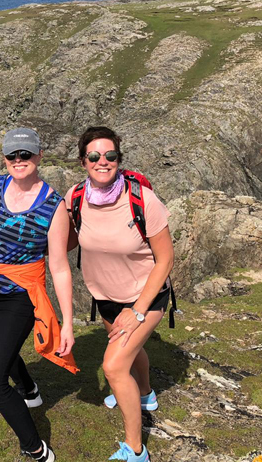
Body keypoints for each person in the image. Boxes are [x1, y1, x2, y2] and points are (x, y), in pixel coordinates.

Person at [0, 127, 78, 462]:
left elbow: (60, 267)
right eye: (12, 155)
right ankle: (29, 390)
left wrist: (67, 323)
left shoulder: (54, 206)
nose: (18, 160)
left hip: (21, 297)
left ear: (39, 156)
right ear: (4, 158)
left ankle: (36, 449)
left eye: (25, 154)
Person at [65, 126, 174, 462]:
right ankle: (145, 393)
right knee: (128, 349)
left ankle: (136, 449)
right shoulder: (76, 198)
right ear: (83, 161)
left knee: (113, 367)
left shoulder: (142, 199)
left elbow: (166, 258)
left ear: (119, 159)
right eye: (94, 156)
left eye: (110, 155)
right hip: (107, 297)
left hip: (145, 296)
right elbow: (69, 242)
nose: (103, 161)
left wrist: (138, 310)